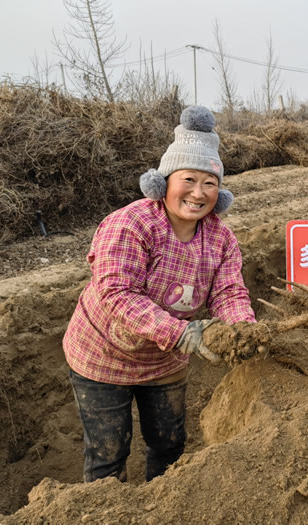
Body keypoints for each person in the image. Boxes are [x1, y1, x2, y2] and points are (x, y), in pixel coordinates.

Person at [63, 105, 255, 483]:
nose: (198, 193)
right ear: (163, 182)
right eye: (189, 179)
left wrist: (242, 331)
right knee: (108, 454)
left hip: (165, 362)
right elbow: (117, 293)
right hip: (102, 355)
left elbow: (229, 292)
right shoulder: (131, 223)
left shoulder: (221, 238)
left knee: (169, 446)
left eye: (210, 183)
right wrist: (182, 334)